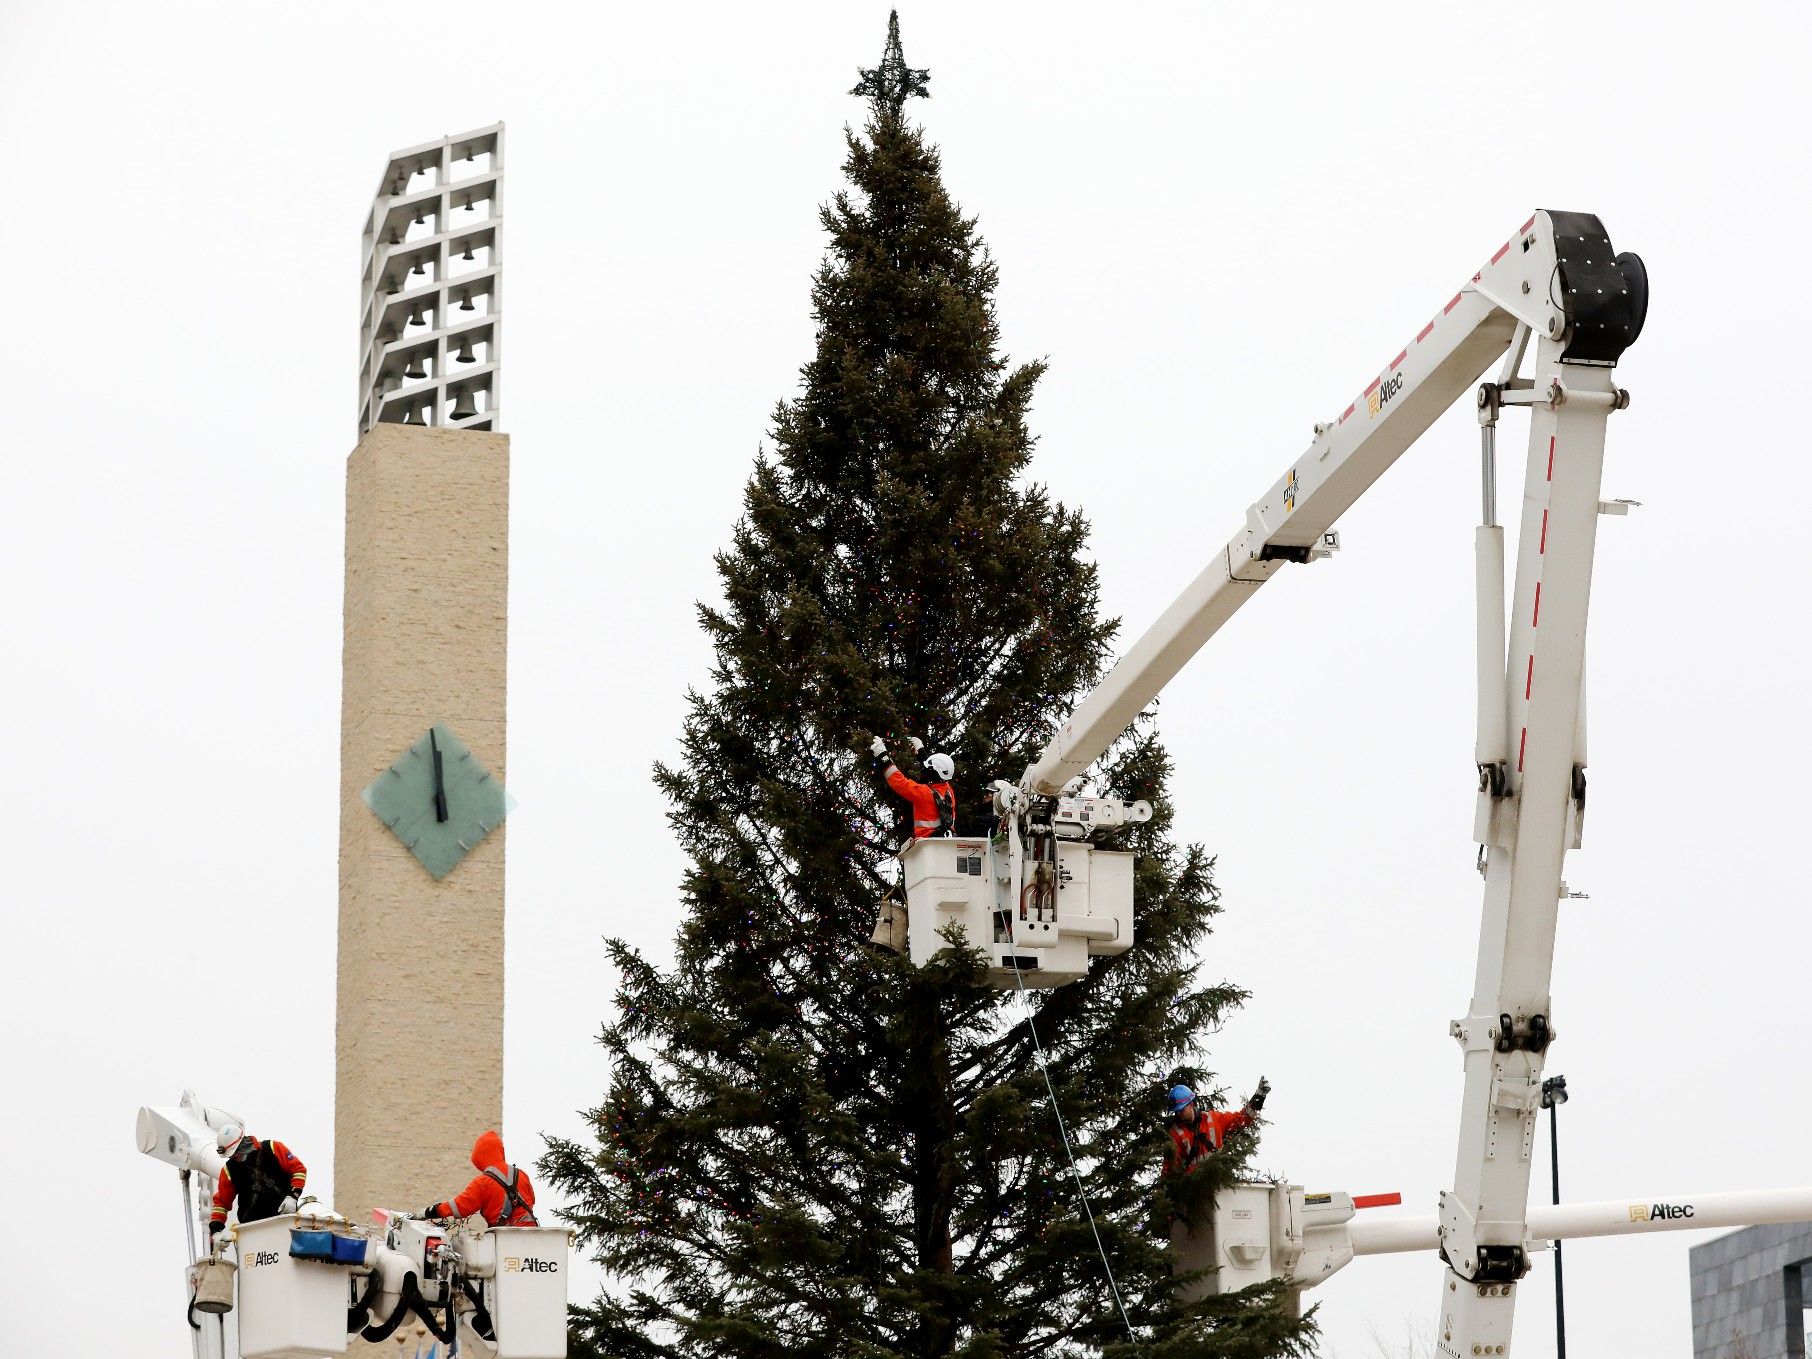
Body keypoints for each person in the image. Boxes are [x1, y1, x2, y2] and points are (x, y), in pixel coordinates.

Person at [419, 1130, 539, 1227]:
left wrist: (430, 1211)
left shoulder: (483, 1183)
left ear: (480, 1157)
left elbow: (459, 1206)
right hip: (530, 1233)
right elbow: (531, 1200)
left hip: (506, 1238)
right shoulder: (521, 1175)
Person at [208, 1125, 308, 1238]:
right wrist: (216, 1230)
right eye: (231, 1156)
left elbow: (298, 1170)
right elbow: (221, 1202)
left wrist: (292, 1197)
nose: (233, 1157)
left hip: (283, 1221)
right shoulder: (229, 1169)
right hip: (250, 1229)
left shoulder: (272, 1148)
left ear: (242, 1144)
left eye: (235, 1153)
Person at [1165, 1078, 1269, 1175]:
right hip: (1193, 1187)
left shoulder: (1213, 1118)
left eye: (1181, 1110)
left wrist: (1258, 1097)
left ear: (1191, 1104)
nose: (1179, 1114)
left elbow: (1240, 1119)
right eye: (1176, 1111)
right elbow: (1170, 1168)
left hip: (1218, 1180)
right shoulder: (1175, 1134)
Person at [872, 735, 956, 841]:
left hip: (925, 845)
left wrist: (882, 755)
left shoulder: (923, 793)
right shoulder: (949, 790)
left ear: (933, 772)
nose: (925, 770)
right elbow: (932, 771)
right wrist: (921, 752)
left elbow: (899, 781)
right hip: (944, 843)